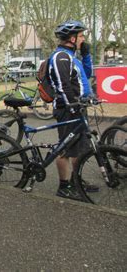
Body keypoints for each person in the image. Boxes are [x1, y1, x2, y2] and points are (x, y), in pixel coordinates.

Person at [48, 20, 97, 200]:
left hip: (77, 107)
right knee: (65, 148)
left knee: (81, 147)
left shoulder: (72, 57)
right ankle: (64, 186)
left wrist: (86, 55)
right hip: (67, 108)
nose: (84, 39)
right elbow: (62, 86)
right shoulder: (60, 57)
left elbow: (87, 74)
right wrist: (73, 106)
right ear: (71, 37)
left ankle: (77, 180)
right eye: (81, 36)